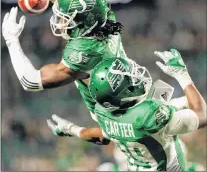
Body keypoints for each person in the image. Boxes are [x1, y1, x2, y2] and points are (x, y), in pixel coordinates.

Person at [47, 49, 206, 171]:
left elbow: (101, 136)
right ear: (124, 92)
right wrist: (183, 76)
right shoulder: (149, 116)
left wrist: (71, 129)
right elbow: (202, 116)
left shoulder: (105, 113)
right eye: (130, 77)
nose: (135, 76)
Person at [2, 0, 126, 120]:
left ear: (82, 24)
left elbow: (31, 81)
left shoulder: (86, 52)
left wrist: (11, 40)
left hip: (114, 120)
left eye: (65, 18)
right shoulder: (103, 18)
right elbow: (66, 0)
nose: (60, 21)